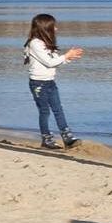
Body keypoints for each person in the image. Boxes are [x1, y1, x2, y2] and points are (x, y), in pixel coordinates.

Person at [23, 13, 84, 150]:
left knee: (58, 109)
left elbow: (55, 62)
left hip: (50, 82)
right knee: (44, 111)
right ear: (45, 28)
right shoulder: (34, 43)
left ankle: (68, 138)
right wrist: (66, 55)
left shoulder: (47, 44)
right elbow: (49, 62)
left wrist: (69, 58)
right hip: (38, 83)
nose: (56, 29)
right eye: (53, 26)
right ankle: (46, 139)